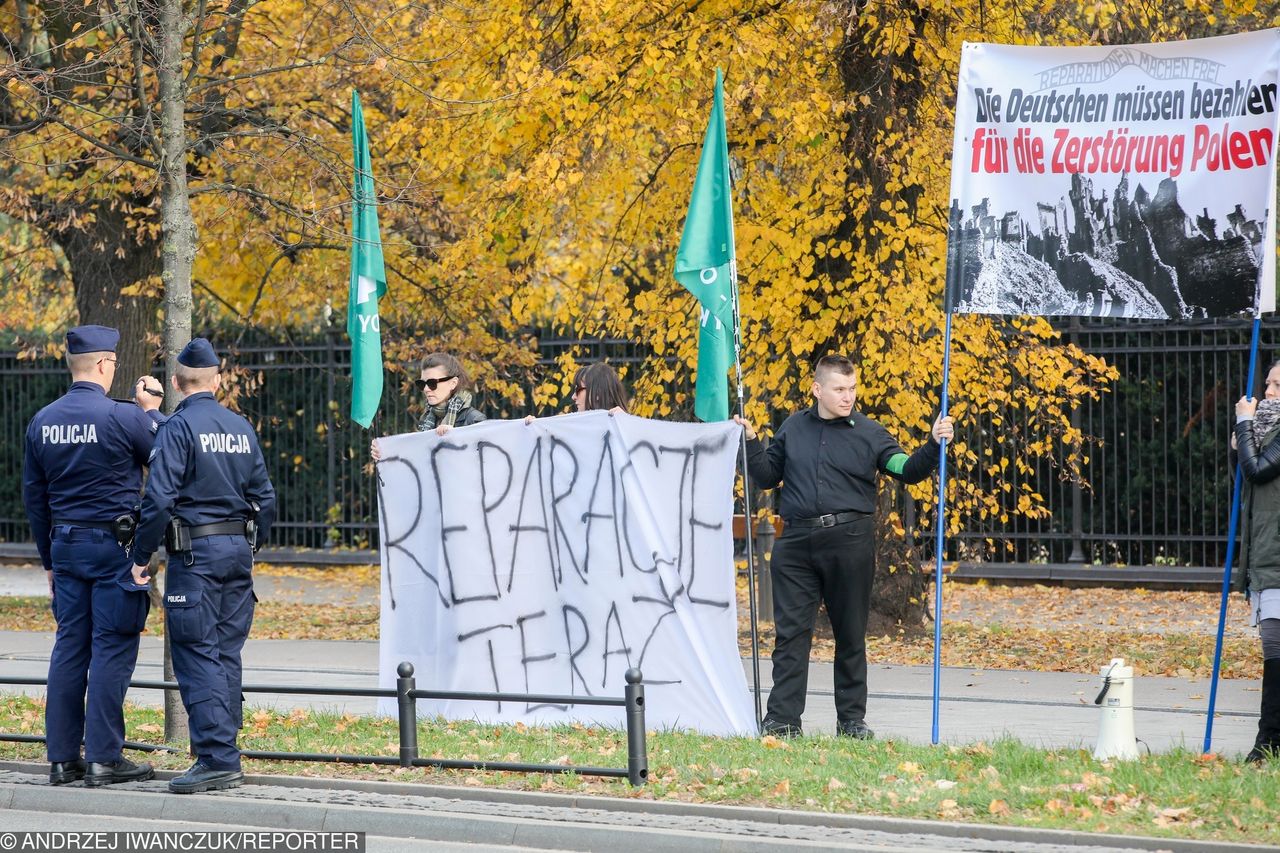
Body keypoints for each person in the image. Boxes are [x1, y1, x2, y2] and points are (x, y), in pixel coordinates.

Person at [734, 354, 953, 739]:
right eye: (839, 389)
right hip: (797, 542)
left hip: (850, 542)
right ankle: (783, 720)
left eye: (851, 389)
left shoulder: (869, 432)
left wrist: (933, 444)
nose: (847, 396)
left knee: (850, 635)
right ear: (818, 389)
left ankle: (851, 721)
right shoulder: (793, 427)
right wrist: (750, 442)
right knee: (791, 636)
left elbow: (906, 469)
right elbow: (767, 476)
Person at [130, 338, 276, 793]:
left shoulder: (177, 427)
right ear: (217, 380)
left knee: (197, 655)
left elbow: (158, 499)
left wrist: (142, 558)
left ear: (175, 383)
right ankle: (224, 750)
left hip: (195, 557)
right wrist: (250, 545)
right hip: (236, 552)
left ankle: (217, 758)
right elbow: (265, 498)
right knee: (226, 653)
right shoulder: (240, 427)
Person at [22, 325, 164, 786]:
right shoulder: (124, 417)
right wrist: (152, 412)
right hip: (114, 550)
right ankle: (105, 757)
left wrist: (48, 560)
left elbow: (34, 498)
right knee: (111, 647)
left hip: (65, 546)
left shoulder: (43, 420)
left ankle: (63, 759)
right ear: (105, 364)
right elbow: (166, 461)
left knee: (69, 648)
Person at [1233, 359, 1280, 763]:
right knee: (1274, 647)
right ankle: (1269, 742)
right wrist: (1246, 432)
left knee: (1276, 648)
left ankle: (1267, 744)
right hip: (1267, 557)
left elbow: (1258, 471)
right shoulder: (1268, 430)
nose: (1267, 393)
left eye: (1277, 387)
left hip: (1277, 557)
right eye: (1268, 383)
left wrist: (1244, 425)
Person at [371, 351, 485, 459]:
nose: (426, 389)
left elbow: (486, 463)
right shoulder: (427, 419)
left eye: (432, 383)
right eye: (422, 383)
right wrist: (385, 454)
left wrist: (456, 437)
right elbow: (419, 457)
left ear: (453, 383)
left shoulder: (475, 419)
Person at [524, 362, 629, 424]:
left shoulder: (627, 430)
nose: (573, 397)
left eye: (578, 390)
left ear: (598, 393)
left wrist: (626, 424)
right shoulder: (572, 428)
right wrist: (533, 429)